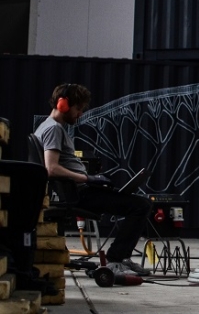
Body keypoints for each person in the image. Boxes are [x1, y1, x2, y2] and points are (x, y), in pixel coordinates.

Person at [32, 83, 152, 277]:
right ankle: (116, 260)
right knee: (141, 205)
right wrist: (89, 178)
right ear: (63, 104)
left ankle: (120, 258)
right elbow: (51, 168)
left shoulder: (50, 127)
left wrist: (94, 179)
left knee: (135, 202)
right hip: (80, 193)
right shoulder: (53, 129)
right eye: (78, 109)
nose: (80, 114)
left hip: (81, 189)